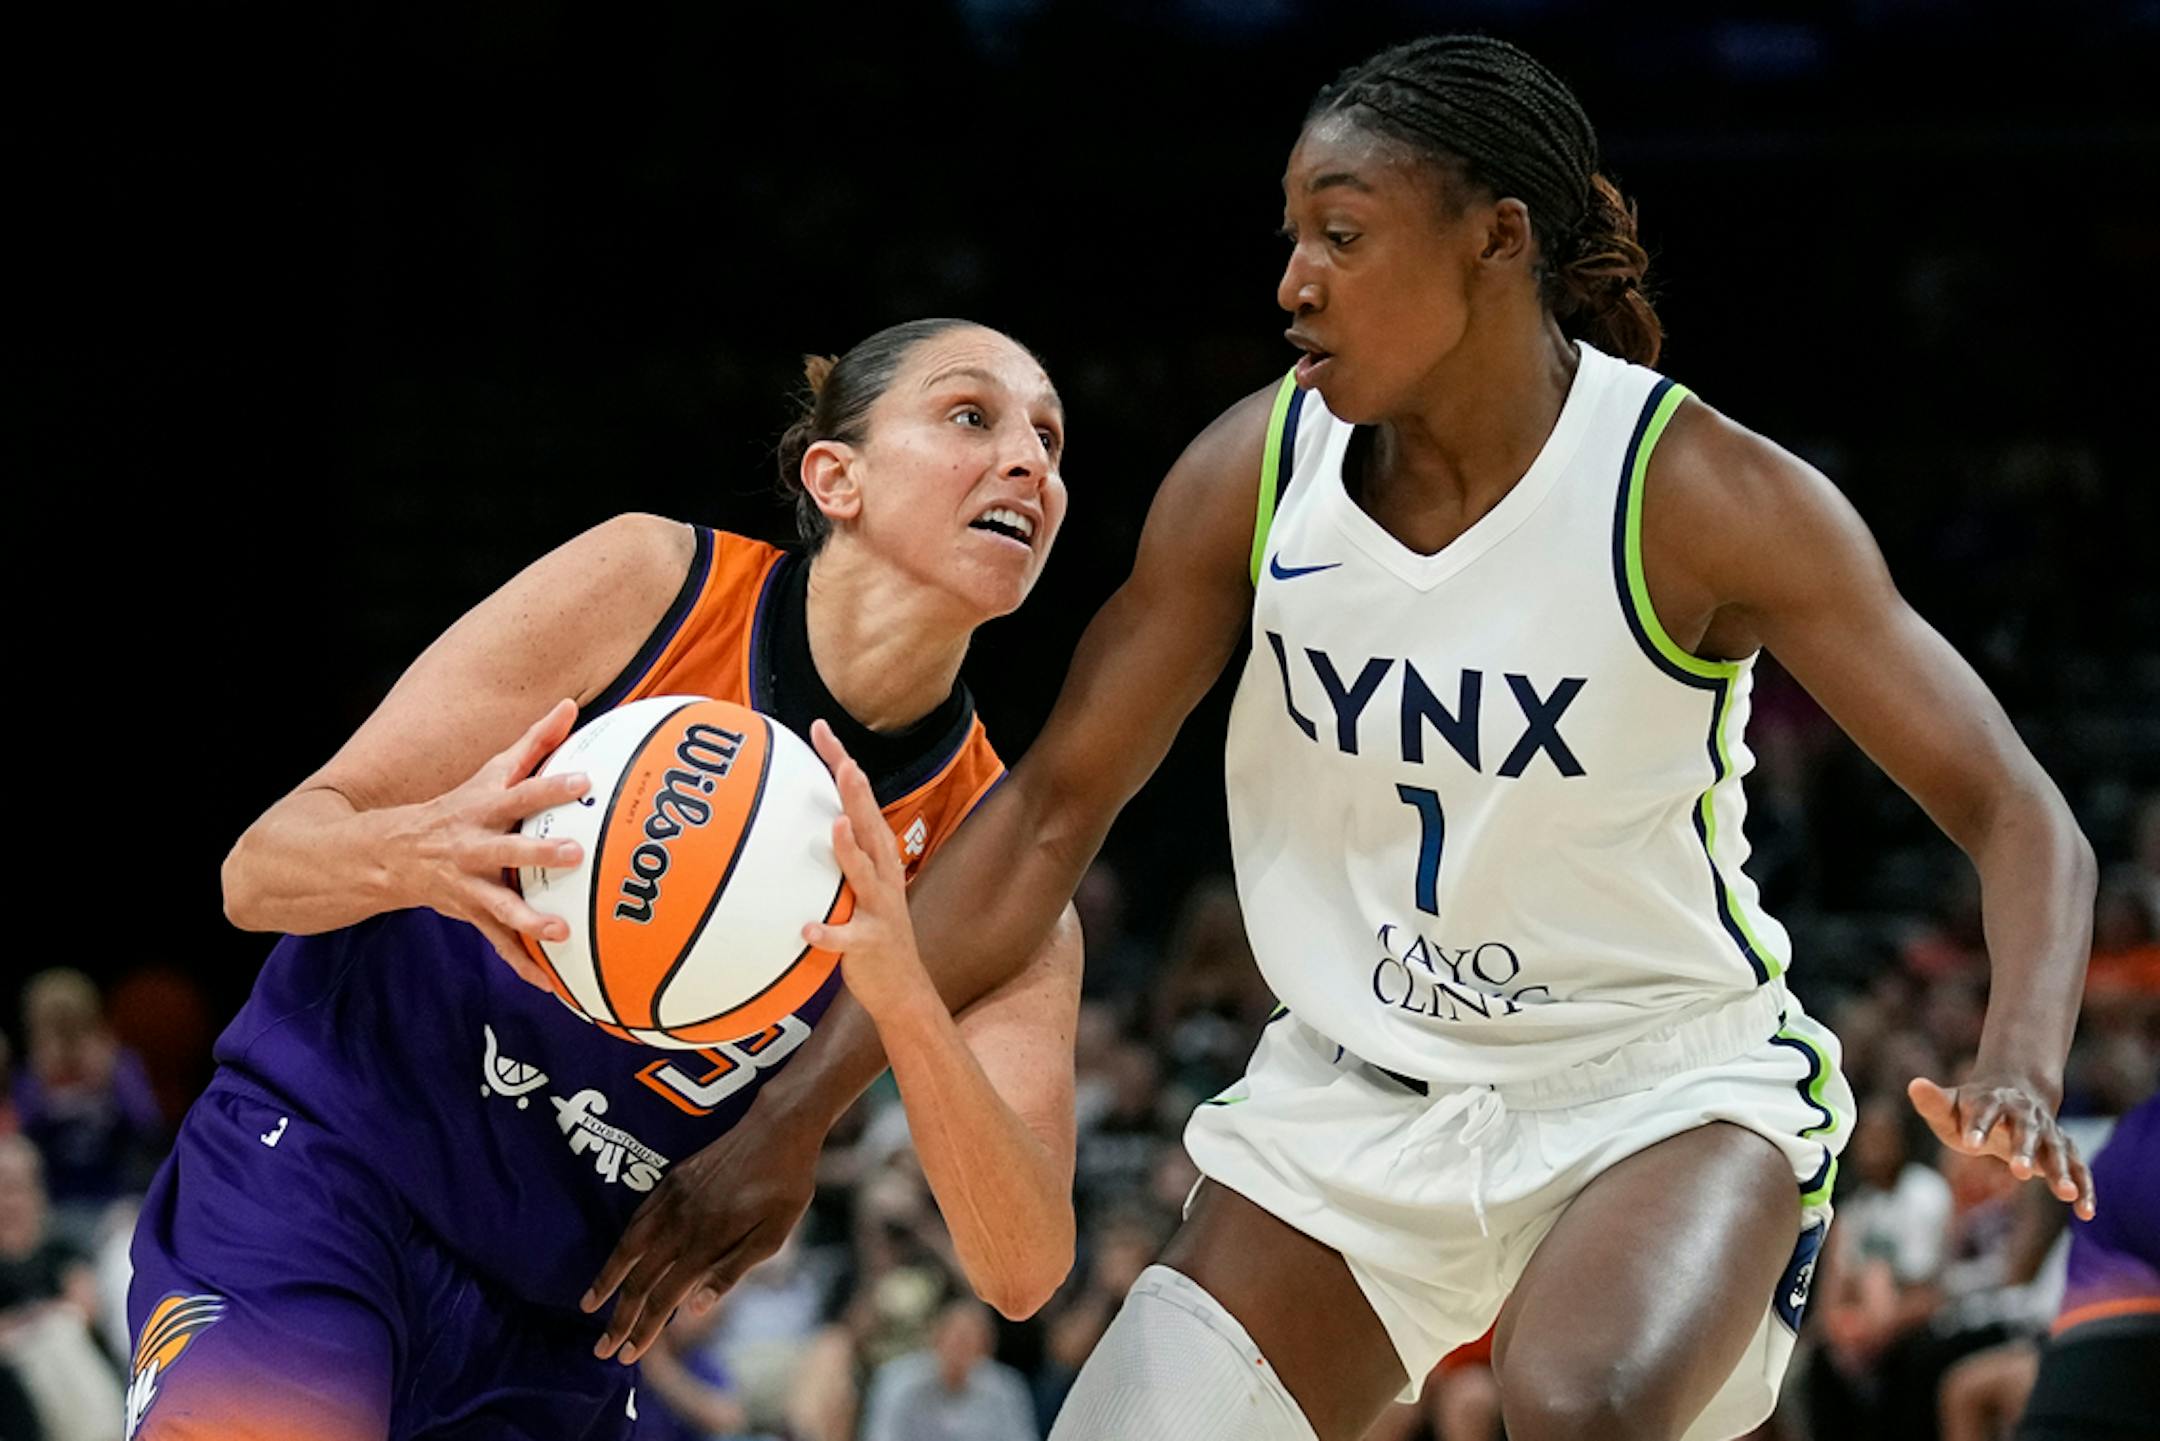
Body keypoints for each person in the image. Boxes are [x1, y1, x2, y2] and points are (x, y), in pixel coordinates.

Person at [596, 35, 2101, 1441]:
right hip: (1358, 1091)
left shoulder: (1695, 491)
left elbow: (2016, 809)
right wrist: (794, 1116)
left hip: (1658, 1087)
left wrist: (2021, 1060)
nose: (1295, 282)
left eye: (1344, 232)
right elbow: (1053, 809)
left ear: (1496, 241)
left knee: (1573, 1407)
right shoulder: (1255, 473)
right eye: (1292, 238)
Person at [126, 318, 1083, 1440]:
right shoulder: (651, 587)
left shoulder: (989, 858)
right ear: (837, 477)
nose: (1031, 461)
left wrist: (900, 993)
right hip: (328, 1173)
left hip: (562, 1323)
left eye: (1052, 441)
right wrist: (423, 851)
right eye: (972, 415)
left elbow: (1022, 1267)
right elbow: (260, 871)